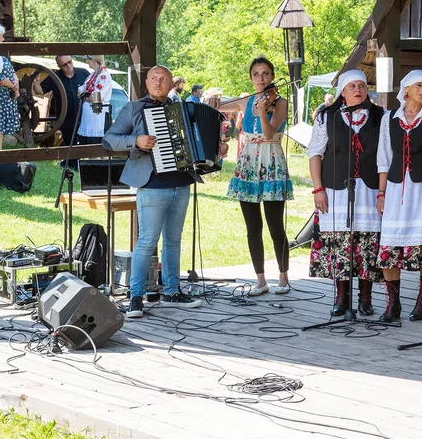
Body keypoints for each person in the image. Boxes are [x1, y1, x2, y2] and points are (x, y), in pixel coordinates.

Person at [103, 65, 215, 319]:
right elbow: (109, 139)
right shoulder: (134, 108)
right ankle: (135, 296)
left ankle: (172, 291)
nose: (158, 82)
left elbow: (199, 140)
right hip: (152, 185)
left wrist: (215, 147)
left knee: (174, 240)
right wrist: (137, 141)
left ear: (170, 84)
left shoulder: (183, 110)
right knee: (147, 241)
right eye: (154, 78)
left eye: (163, 79)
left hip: (182, 182)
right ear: (146, 82)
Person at [375, 69, 422, 322]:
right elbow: (384, 159)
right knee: (389, 247)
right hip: (397, 189)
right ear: (406, 89)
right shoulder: (389, 119)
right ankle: (393, 302)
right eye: (419, 85)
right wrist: (382, 193)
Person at [308, 69, 385, 316]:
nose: (357, 90)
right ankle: (342, 297)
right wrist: (318, 189)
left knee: (367, 244)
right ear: (342, 91)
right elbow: (315, 154)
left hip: (369, 189)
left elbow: (386, 157)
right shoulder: (326, 116)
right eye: (351, 86)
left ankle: (365, 298)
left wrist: (384, 191)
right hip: (336, 189)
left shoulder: (380, 116)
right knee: (340, 242)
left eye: (361, 85)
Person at [222, 57, 294, 294]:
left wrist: (263, 113)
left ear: (272, 76)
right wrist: (213, 102)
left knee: (275, 225)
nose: (261, 78)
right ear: (251, 78)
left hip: (271, 160)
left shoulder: (281, 102)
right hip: (249, 162)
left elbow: (269, 132)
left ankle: (283, 276)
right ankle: (260, 280)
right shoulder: (246, 100)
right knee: (252, 226)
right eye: (256, 74)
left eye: (265, 74)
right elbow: (221, 106)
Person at [39, 55, 90, 146]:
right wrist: (35, 82)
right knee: (70, 147)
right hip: (66, 120)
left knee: (87, 147)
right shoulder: (55, 77)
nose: (69, 66)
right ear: (59, 66)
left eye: (70, 62)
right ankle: (71, 160)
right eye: (64, 65)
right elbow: (40, 91)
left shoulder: (83, 73)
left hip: (85, 118)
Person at [76, 54, 111, 145]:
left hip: (98, 115)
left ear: (93, 60)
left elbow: (97, 97)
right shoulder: (92, 75)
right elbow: (80, 90)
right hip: (89, 116)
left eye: (88, 59)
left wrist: (84, 96)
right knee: (89, 145)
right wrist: (86, 96)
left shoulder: (104, 76)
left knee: (98, 146)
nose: (87, 61)